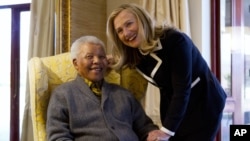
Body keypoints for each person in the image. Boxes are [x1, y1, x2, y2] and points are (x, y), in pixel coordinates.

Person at [106, 3, 227, 141]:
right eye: (120, 30)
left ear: (142, 20)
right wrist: (107, 60)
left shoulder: (175, 41)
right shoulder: (133, 51)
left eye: (129, 24)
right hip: (175, 104)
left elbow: (182, 89)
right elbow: (123, 60)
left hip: (204, 103)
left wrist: (166, 131)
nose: (126, 33)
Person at [46, 35, 167, 141]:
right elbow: (58, 137)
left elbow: (145, 127)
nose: (97, 61)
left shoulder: (124, 94)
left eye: (102, 57)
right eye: (89, 57)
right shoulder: (62, 94)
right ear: (76, 63)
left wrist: (154, 135)